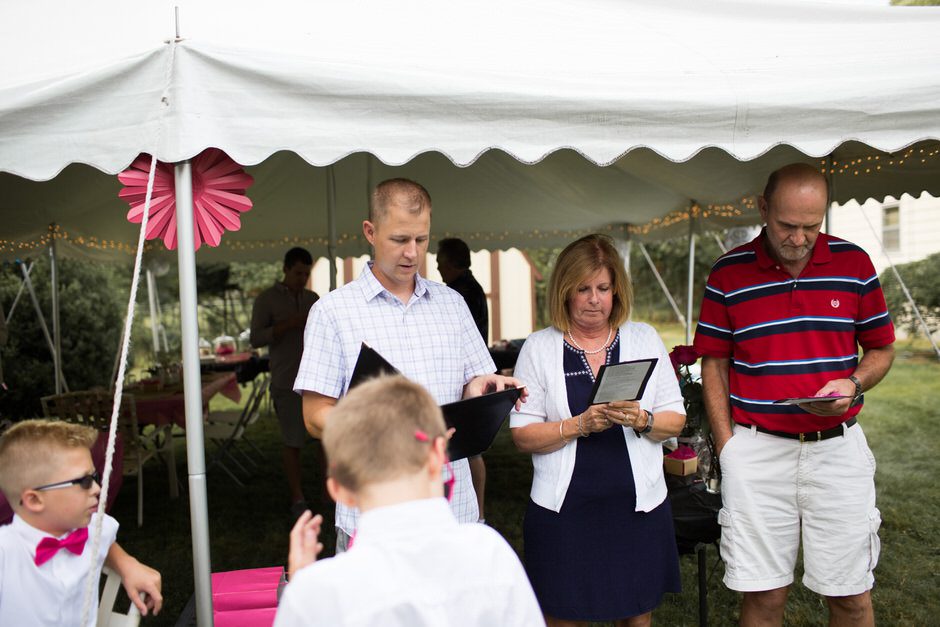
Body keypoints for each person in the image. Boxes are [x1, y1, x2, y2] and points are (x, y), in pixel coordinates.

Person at [694, 163, 895, 627]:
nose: (800, 239)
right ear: (763, 208)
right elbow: (714, 363)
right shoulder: (728, 272)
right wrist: (727, 446)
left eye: (812, 226)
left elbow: (882, 349)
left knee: (851, 596)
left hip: (838, 452)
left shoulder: (854, 264)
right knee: (764, 597)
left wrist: (853, 383)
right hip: (757, 452)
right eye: (787, 225)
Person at [294, 178, 525, 551]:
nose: (412, 253)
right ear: (370, 232)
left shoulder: (452, 304)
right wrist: (381, 432)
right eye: (400, 239)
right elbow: (314, 415)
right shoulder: (333, 312)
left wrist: (486, 389)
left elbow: (471, 383)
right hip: (373, 516)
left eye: (421, 239)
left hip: (453, 511)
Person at [510, 234, 685, 626]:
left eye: (603, 288)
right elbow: (522, 435)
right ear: (564, 292)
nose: (594, 299)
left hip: (637, 509)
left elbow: (676, 418)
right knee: (564, 615)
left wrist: (643, 420)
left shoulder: (643, 339)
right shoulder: (539, 348)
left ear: (616, 290)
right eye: (583, 289)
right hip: (564, 513)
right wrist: (579, 425)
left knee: (636, 617)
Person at [275, 376, 543, 626]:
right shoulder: (490, 553)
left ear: (338, 488)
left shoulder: (321, 591)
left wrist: (301, 591)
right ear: (439, 454)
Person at [0, 419, 163, 625]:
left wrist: (128, 564)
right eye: (84, 481)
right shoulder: (6, 552)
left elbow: (103, 538)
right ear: (34, 500)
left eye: (95, 477)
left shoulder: (92, 527)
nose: (97, 488)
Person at [251, 247, 320, 518]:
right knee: (293, 441)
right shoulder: (267, 300)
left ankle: (329, 490)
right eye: (298, 273)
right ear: (285, 269)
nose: (302, 279)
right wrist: (288, 324)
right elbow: (255, 338)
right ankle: (297, 497)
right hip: (287, 380)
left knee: (326, 438)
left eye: (306, 274)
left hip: (317, 381)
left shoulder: (313, 299)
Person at [437, 237, 489, 522]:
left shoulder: (460, 293)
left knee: (470, 450)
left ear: (450, 262)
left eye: (440, 262)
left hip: (466, 375)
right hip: (468, 373)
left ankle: (478, 513)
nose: (438, 268)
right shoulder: (470, 287)